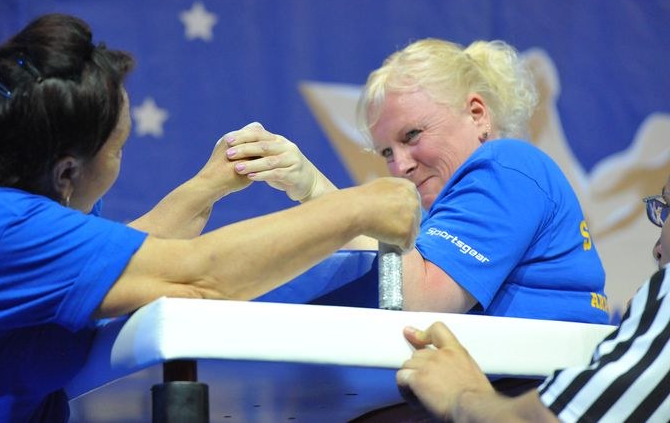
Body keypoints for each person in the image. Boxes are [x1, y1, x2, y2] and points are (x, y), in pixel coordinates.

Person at [0, 14, 421, 421]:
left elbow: (103, 264)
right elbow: (199, 277)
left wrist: (208, 186)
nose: (120, 158)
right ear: (67, 171)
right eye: (117, 148)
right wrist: (358, 205)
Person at [224, 39, 608, 323]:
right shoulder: (435, 222)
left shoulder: (507, 165)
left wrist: (322, 192)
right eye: (386, 153)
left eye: (412, 136)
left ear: (477, 114)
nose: (400, 166)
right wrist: (311, 190)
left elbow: (421, 302)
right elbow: (384, 266)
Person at [395, 174, 670, 422]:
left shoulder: (512, 169)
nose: (656, 249)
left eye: (668, 209)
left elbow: (552, 419)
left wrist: (460, 394)